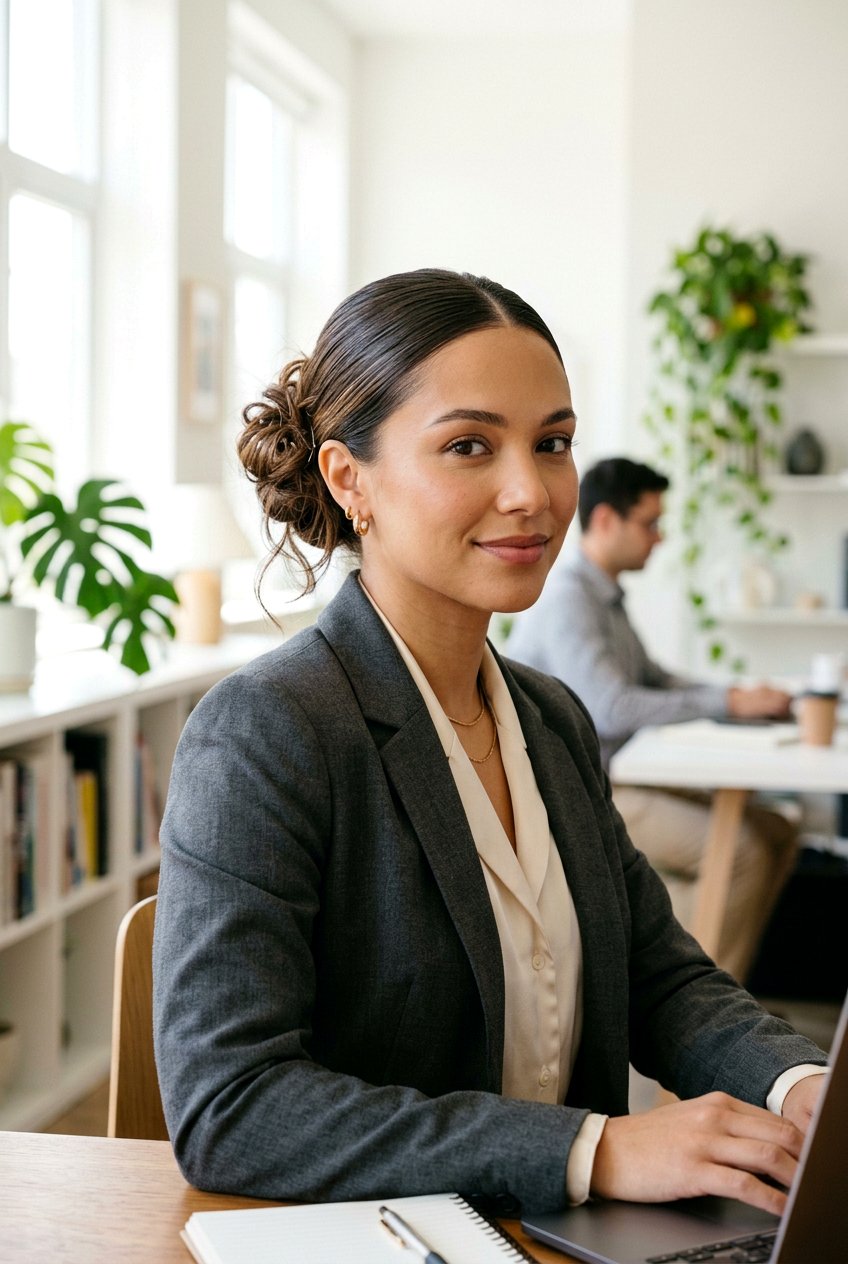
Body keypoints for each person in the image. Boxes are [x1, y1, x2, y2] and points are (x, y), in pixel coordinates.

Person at [153, 271, 825, 1218]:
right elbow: (234, 1107)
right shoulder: (269, 731)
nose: (531, 491)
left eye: (553, 443)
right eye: (469, 445)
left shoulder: (549, 718)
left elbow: (659, 976)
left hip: (563, 1239)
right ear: (351, 481)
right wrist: (596, 1148)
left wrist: (804, 1091)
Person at [506, 456, 799, 982]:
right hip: (584, 786)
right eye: (650, 523)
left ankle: (730, 987)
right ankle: (696, 1009)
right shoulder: (570, 598)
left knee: (778, 828)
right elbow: (613, 708)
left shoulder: (606, 597)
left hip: (624, 774)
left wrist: (735, 694)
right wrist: (729, 706)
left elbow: (654, 678)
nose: (659, 538)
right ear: (605, 522)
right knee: (743, 852)